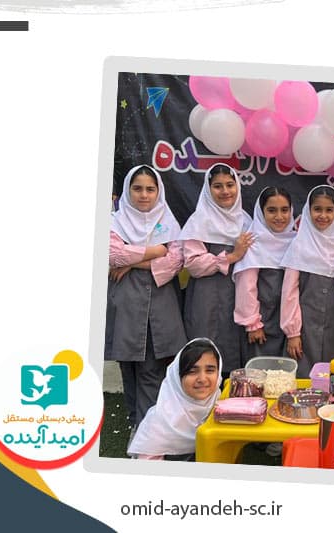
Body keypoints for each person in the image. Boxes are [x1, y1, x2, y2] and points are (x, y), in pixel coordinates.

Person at [105, 165, 186, 429]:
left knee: (152, 368)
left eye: (150, 189)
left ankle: (147, 430)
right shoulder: (116, 221)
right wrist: (156, 250)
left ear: (158, 192)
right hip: (126, 304)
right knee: (128, 367)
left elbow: (175, 261)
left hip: (160, 305)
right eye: (137, 189)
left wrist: (132, 262)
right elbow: (113, 254)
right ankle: (136, 424)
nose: (144, 195)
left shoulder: (168, 221)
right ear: (127, 191)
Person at [180, 163, 253, 379]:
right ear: (208, 189)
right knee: (205, 351)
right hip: (206, 297)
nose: (225, 191)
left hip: (238, 296)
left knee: (236, 354)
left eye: (230, 185)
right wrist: (231, 257)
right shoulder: (199, 220)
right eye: (218, 186)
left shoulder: (246, 221)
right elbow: (193, 264)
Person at [280, 185, 334, 377]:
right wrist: (293, 333)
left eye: (329, 210)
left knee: (331, 376)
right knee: (303, 376)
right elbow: (289, 293)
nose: (323, 215)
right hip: (304, 328)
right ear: (308, 211)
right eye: (317, 209)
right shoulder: (299, 245)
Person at [127, 338, 222, 461]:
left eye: (210, 370)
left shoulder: (220, 404)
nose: (202, 379)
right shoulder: (160, 420)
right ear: (177, 376)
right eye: (192, 371)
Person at [233, 186, 296, 359]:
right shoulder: (253, 242)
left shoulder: (296, 241)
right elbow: (246, 287)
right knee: (261, 368)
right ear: (261, 212)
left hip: (289, 321)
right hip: (262, 321)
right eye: (272, 210)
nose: (279, 217)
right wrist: (252, 323)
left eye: (284, 210)